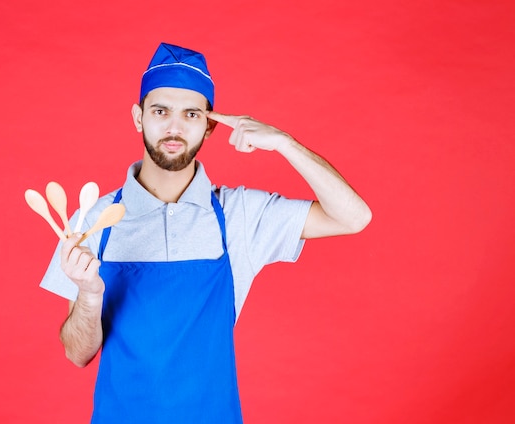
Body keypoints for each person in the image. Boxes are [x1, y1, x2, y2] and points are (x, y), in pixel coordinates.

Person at [39, 42, 371, 424]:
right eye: (160, 111)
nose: (174, 127)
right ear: (138, 117)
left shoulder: (240, 215)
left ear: (209, 125)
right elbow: (77, 353)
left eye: (191, 114)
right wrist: (89, 292)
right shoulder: (92, 220)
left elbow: (353, 217)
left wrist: (284, 143)